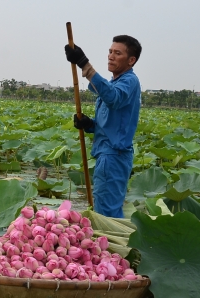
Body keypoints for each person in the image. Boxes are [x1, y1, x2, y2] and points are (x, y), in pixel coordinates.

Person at [65, 35, 142, 218]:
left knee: (106, 214)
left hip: (114, 156)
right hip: (108, 154)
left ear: (131, 60)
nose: (111, 56)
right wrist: (90, 124)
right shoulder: (115, 83)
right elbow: (112, 123)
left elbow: (112, 97)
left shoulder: (129, 82)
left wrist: (85, 64)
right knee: (106, 209)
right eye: (110, 52)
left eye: (117, 53)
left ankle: (113, 245)